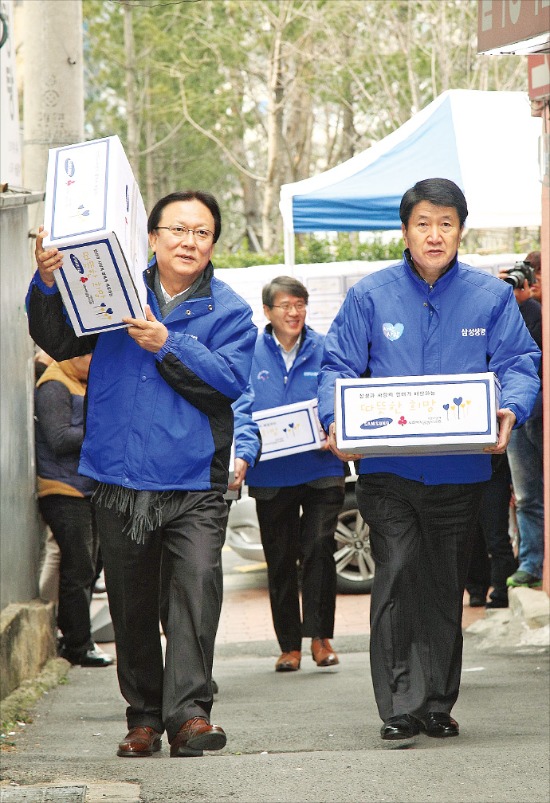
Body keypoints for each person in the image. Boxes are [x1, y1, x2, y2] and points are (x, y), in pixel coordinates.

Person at [26, 190, 257, 759]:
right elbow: (57, 340)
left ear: (211, 246)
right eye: (178, 229)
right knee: (130, 604)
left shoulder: (229, 311)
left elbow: (228, 382)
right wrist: (49, 285)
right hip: (120, 481)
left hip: (194, 484)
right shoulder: (111, 293)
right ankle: (144, 718)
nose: (189, 241)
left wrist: (166, 343)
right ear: (152, 237)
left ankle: (191, 716)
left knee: (196, 594)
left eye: (201, 233)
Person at [318, 178, 541, 742]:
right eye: (424, 223)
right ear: (405, 230)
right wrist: (333, 419)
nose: (435, 234)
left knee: (443, 585)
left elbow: (519, 363)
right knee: (395, 575)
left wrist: (512, 408)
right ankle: (400, 705)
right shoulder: (371, 295)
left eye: (446, 223)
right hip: (388, 473)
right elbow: (336, 367)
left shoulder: (490, 298)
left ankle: (437, 702)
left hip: (460, 472)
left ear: (460, 230)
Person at [242, 276, 346, 673]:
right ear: (267, 312)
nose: (294, 312)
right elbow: (238, 399)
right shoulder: (249, 350)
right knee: (280, 558)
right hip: (269, 473)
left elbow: (338, 391)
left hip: (321, 466)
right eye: (285, 305)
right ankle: (289, 645)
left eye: (300, 304)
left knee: (319, 547)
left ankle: (320, 637)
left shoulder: (325, 349)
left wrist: (334, 424)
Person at [34, 354, 114, 667]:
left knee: (91, 565)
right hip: (63, 488)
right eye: (91, 356)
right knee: (78, 567)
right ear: (75, 355)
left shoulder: (81, 381)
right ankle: (78, 644)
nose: (96, 362)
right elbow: (58, 439)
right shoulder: (54, 384)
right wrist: (102, 430)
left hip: (88, 488)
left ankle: (76, 638)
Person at [499, 253, 544, 590]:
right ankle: (530, 562)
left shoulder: (537, 311)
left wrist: (531, 302)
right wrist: (507, 299)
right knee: (526, 496)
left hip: (543, 414)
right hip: (517, 414)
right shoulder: (511, 308)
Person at [465, 453, 516, 608]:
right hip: (465, 470)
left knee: (496, 536)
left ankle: (501, 592)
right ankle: (476, 590)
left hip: (495, 470)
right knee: (471, 537)